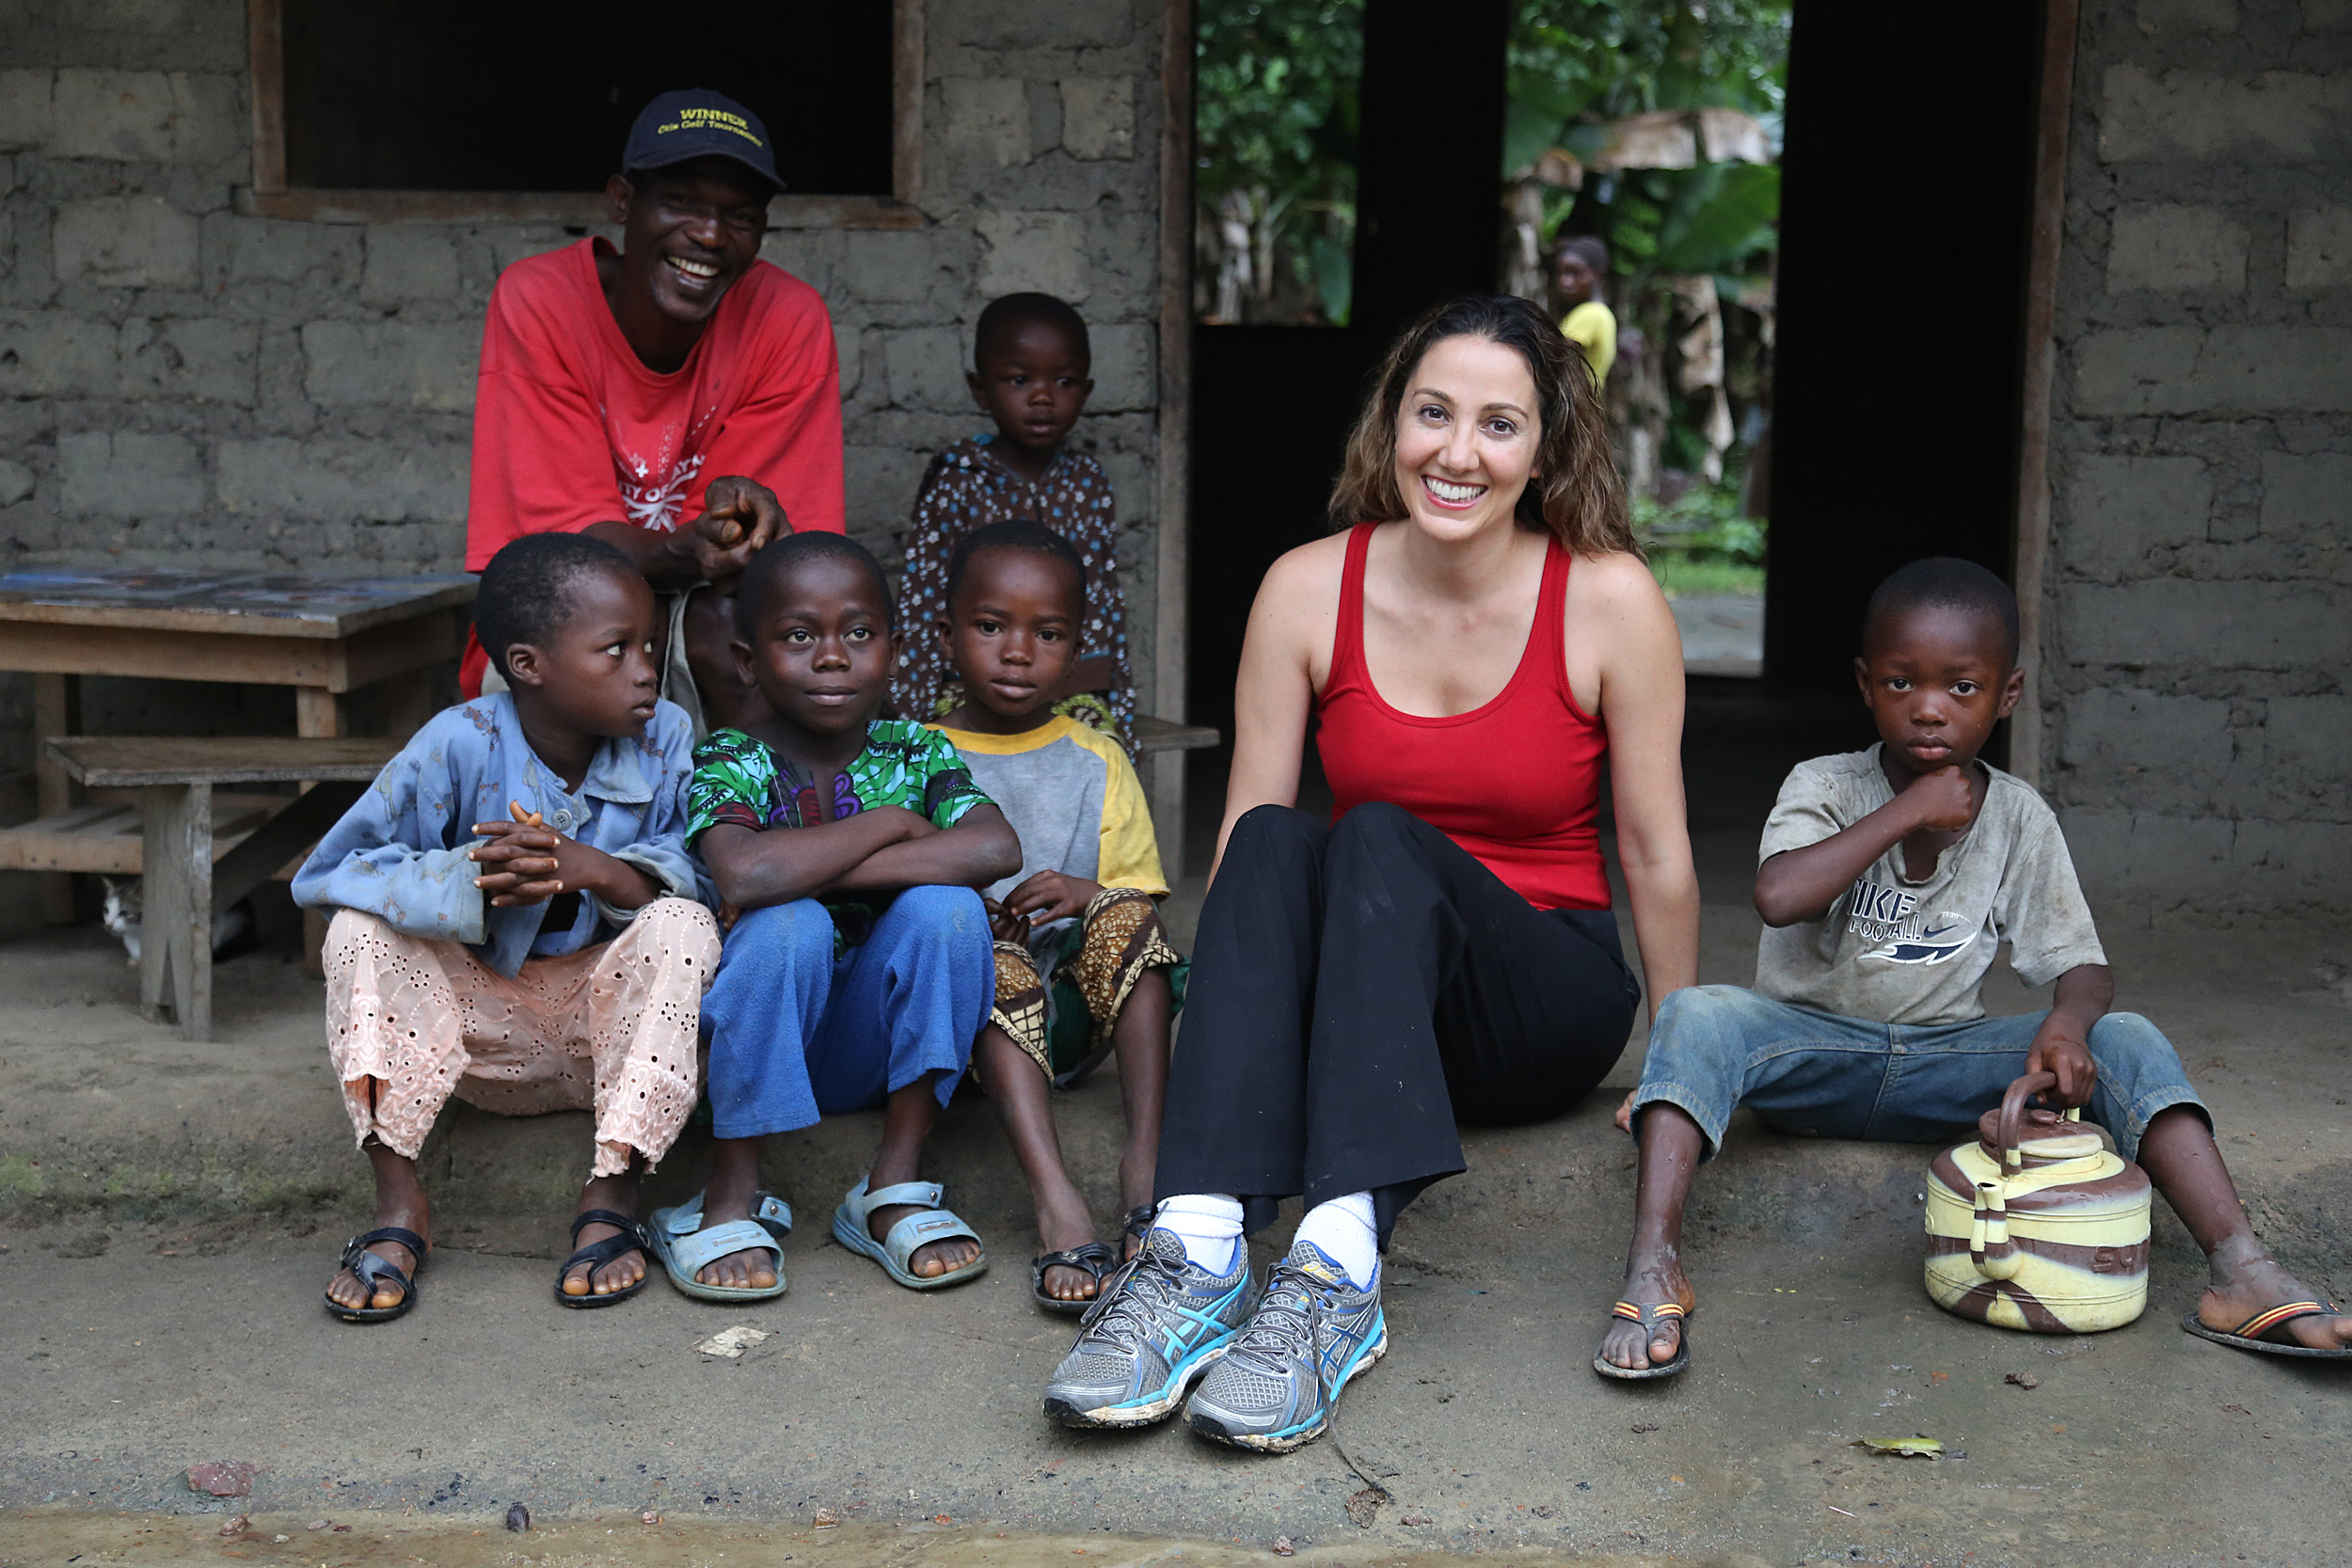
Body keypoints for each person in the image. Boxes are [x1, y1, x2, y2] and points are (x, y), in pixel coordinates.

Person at [1042, 294, 1699, 1450]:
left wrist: (1686, 1068)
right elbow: (1255, 841)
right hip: (1366, 991)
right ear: (1387, 423)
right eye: (1431, 412)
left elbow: (1652, 849)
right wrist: (1238, 1047)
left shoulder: (1606, 597)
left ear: (1545, 448)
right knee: (1279, 835)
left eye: (1498, 424)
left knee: (1377, 832)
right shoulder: (1305, 585)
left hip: (1535, 997)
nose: (1456, 452)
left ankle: (1335, 1276)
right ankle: (1195, 1253)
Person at [1595, 558, 2352, 1379]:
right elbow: (1780, 895)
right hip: (1807, 1055)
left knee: (2125, 1035)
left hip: (1945, 1065)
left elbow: (2084, 966)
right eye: (1900, 682)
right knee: (1697, 1015)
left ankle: (2241, 1268)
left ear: (2008, 695)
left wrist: (2066, 1023)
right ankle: (1653, 1267)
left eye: (1962, 687)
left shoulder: (2019, 816)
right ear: (1864, 683)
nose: (1928, 707)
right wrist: (1909, 808)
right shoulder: (1824, 784)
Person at [299, 533, 721, 1323]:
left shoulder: (665, 736)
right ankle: (397, 1202)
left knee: (683, 923)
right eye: (616, 649)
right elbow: (332, 870)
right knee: (356, 931)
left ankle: (613, 1190)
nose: (644, 670)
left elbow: (705, 872)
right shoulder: (460, 741)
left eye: (650, 649)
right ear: (529, 666)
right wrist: (471, 882)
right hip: (476, 1037)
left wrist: (593, 867)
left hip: (608, 1034)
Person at [650, 531, 1021, 1303]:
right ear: (749, 661)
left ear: (893, 649)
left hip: (870, 1047)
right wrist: (890, 822)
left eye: (858, 633)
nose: (832, 656)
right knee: (791, 924)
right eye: (798, 636)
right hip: (757, 1041)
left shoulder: (915, 751)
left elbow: (993, 846)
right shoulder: (731, 758)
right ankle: (730, 1188)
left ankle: (890, 1184)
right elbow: (746, 872)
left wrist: (810, 862)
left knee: (949, 911)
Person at [463, 88, 846, 734]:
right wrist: (689, 543)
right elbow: (559, 554)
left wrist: (732, 529)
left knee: (745, 629)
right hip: (563, 619)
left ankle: (751, 824)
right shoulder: (542, 302)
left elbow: (757, 563)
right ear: (621, 200)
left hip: (707, 626)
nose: (709, 234)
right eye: (682, 202)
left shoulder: (785, 317)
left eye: (741, 215)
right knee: (582, 636)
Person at [926, 520, 1185, 1314]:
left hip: (1071, 1020)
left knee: (1130, 911)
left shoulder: (1094, 755)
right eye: (991, 626)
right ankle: (1055, 1198)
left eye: (1046, 634)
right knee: (980, 951)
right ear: (946, 635)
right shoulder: (914, 753)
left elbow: (1137, 895)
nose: (1015, 651)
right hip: (965, 1029)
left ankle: (1146, 1161)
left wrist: (1081, 890)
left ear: (1074, 653)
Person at [892, 293, 1136, 749]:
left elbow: (1103, 601)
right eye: (1020, 379)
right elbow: (923, 597)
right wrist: (910, 712)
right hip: (971, 687)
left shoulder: (1088, 481)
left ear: (1085, 392)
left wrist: (1118, 704)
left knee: (1098, 761)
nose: (1043, 397)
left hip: (1074, 686)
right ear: (981, 389)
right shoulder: (958, 477)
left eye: (1064, 382)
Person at [1548, 234, 1616, 388]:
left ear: (1598, 274)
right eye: (1562, 273)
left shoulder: (1590, 314)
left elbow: (1551, 359)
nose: (1565, 281)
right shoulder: (1603, 313)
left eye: (1575, 273)